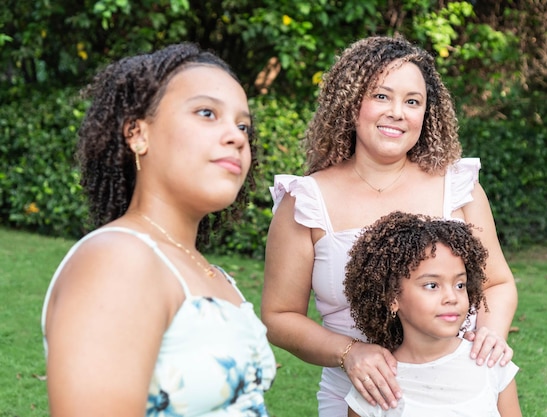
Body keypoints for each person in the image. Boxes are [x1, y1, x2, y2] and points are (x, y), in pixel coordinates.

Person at [262, 34, 518, 417]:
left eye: (412, 101)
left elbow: (498, 282)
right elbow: (279, 316)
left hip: (460, 385)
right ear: (350, 105)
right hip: (360, 394)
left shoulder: (458, 186)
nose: (398, 112)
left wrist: (488, 339)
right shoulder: (306, 202)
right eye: (382, 96)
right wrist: (349, 353)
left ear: (426, 113)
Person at [41, 43, 276, 416]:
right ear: (138, 133)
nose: (237, 136)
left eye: (243, 124)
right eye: (206, 113)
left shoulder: (212, 275)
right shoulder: (119, 260)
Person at [343, 211, 522, 417]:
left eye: (460, 284)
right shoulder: (375, 385)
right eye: (432, 285)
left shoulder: (491, 364)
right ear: (392, 298)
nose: (451, 297)